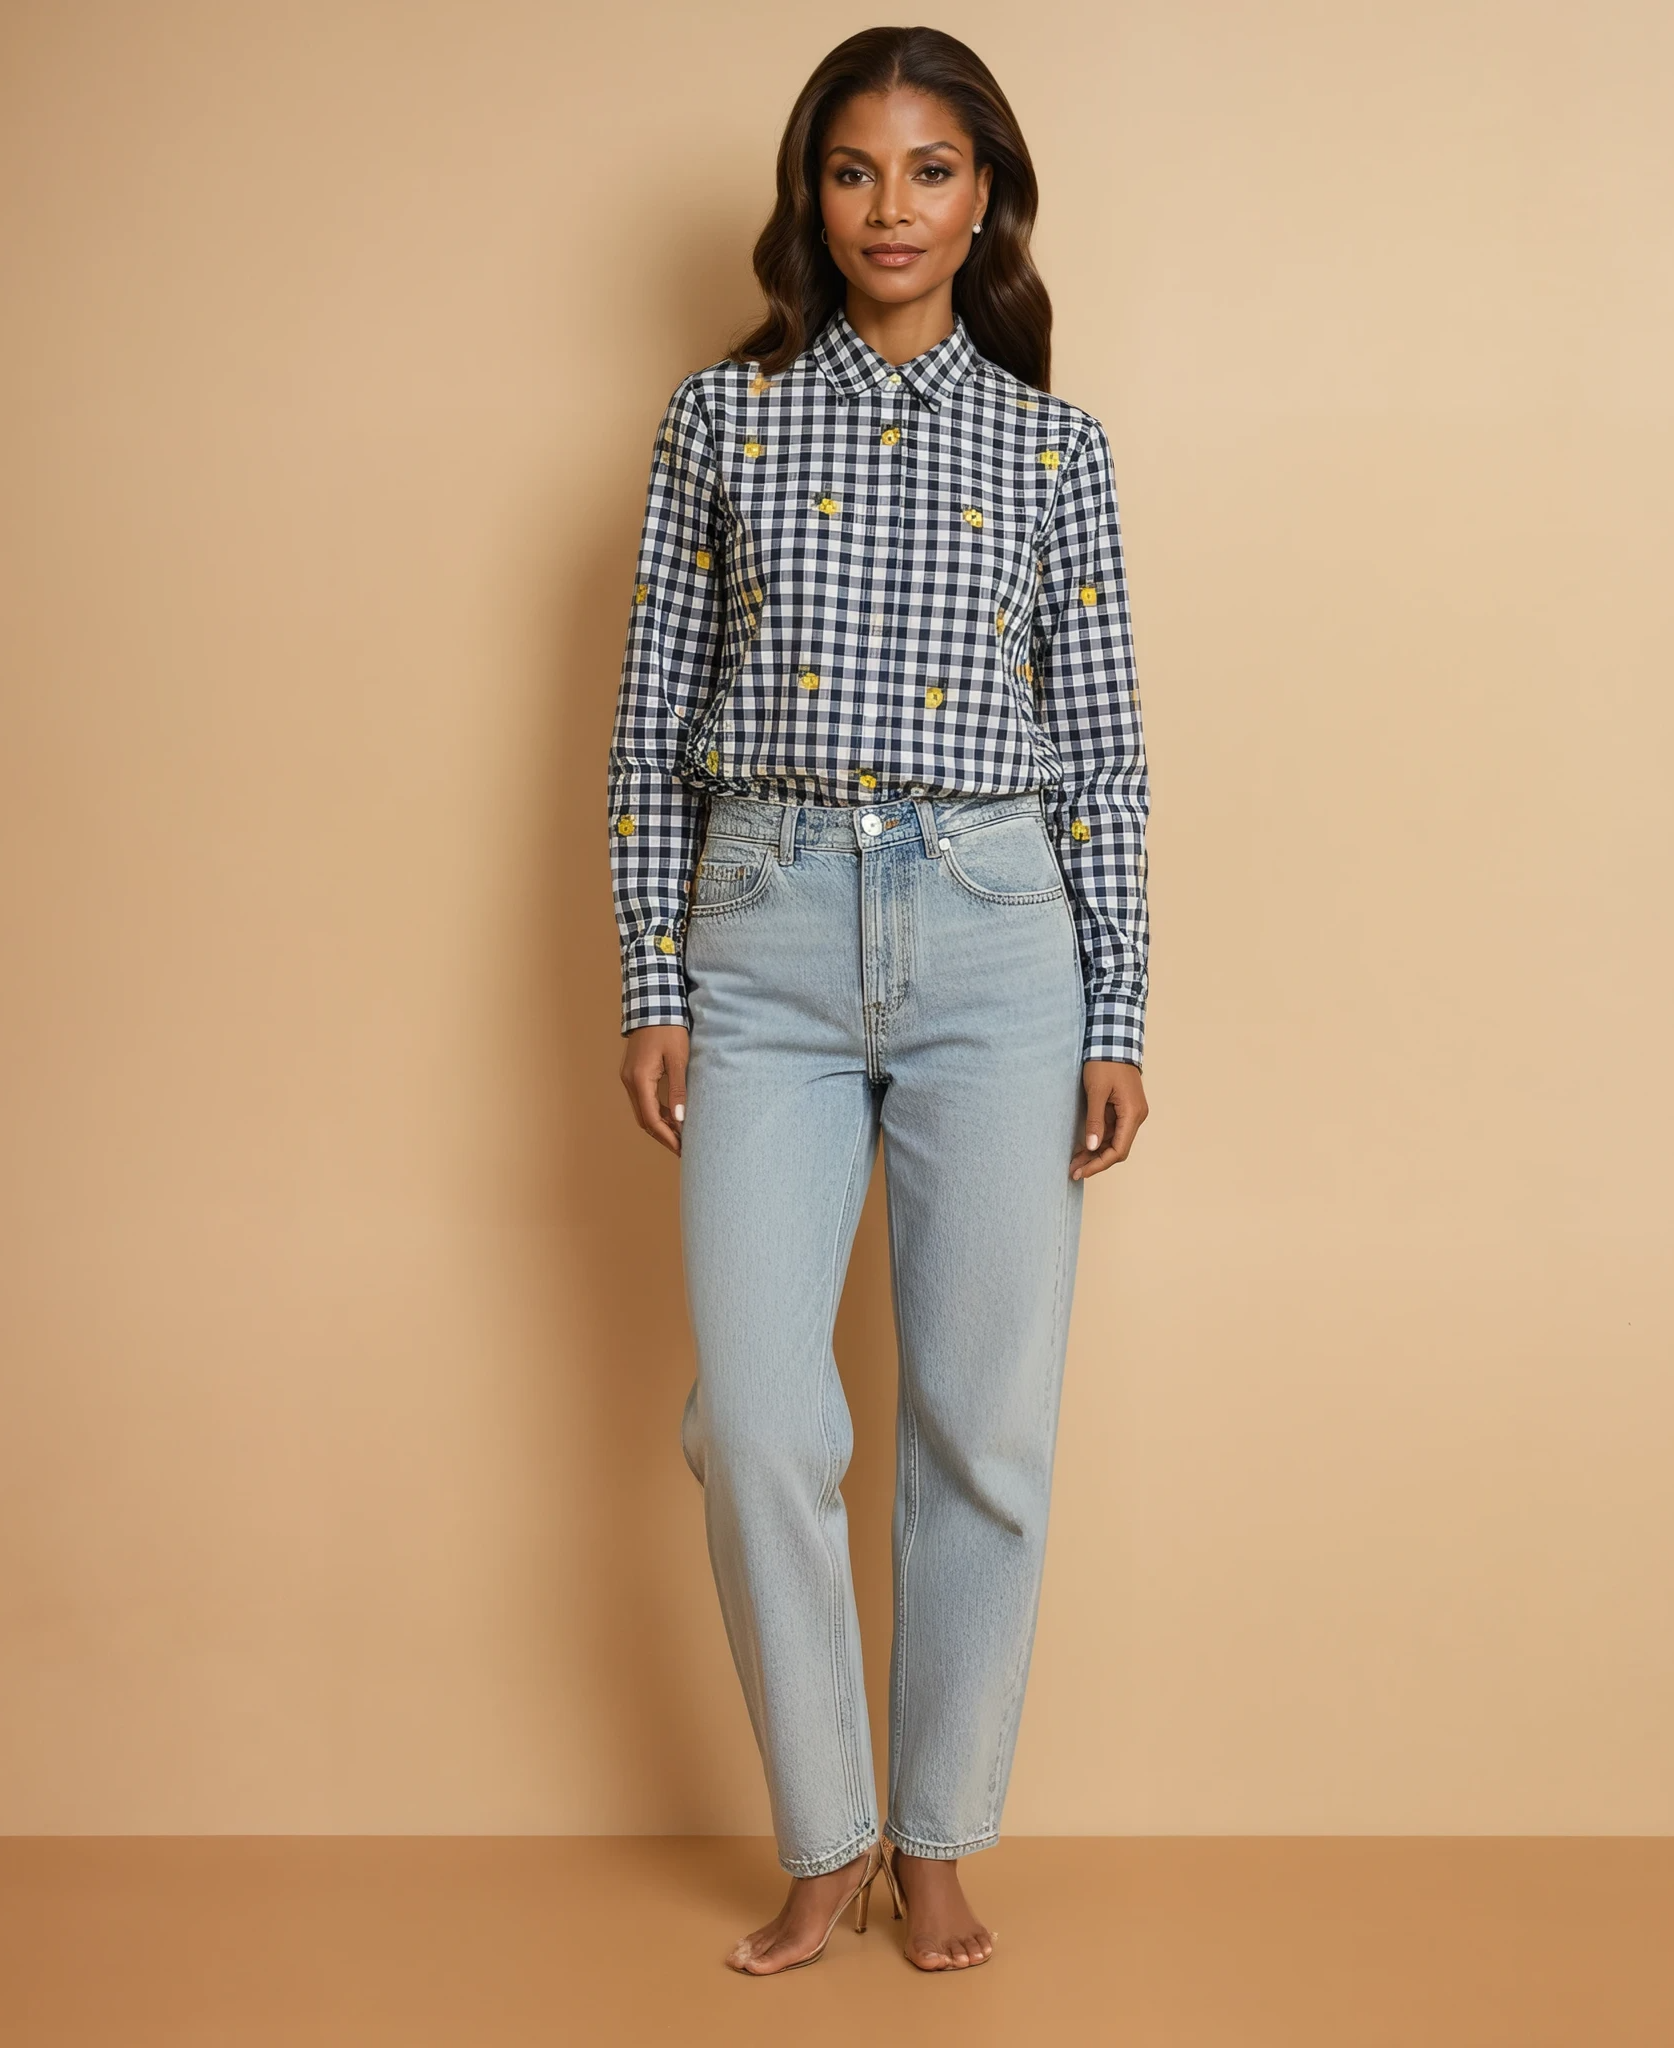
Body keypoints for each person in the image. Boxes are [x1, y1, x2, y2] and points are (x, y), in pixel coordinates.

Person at [606, 23, 1150, 1975]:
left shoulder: (1056, 450)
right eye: (854, 170)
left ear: (984, 197)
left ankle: (935, 1839)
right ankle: (823, 1835)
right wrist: (651, 971)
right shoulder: (719, 421)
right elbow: (648, 727)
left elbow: (1102, 755)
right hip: (762, 932)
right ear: (809, 195)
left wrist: (1117, 1009)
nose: (890, 208)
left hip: (1001, 939)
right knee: (759, 1417)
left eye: (929, 170)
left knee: (981, 1424)